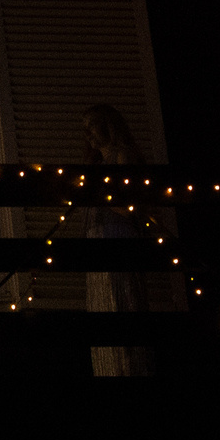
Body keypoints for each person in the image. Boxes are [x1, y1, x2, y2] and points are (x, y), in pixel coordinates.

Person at [82, 102, 153, 378]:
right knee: (102, 304)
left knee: (122, 300)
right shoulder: (95, 165)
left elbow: (132, 205)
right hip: (95, 238)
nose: (88, 135)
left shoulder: (122, 156)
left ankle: (128, 369)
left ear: (107, 126)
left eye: (92, 127)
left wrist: (101, 197)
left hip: (117, 234)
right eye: (84, 130)